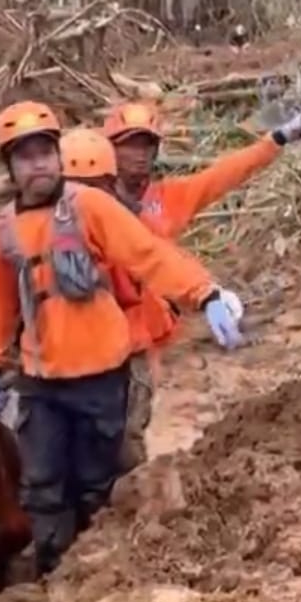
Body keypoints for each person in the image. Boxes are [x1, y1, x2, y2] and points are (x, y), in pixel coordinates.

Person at [0, 101, 242, 578]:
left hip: (101, 373)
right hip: (42, 380)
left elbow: (147, 255)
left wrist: (204, 294)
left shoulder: (88, 207)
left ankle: (98, 574)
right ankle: (52, 573)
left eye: (44, 151)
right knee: (42, 483)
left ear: (57, 156)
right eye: (24, 156)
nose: (37, 163)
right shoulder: (2, 231)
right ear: (10, 167)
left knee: (97, 480)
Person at [59, 128, 242, 471]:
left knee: (121, 447)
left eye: (93, 188)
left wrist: (205, 293)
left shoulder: (129, 223)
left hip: (126, 352)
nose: (82, 200)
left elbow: (156, 259)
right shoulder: (29, 229)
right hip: (60, 364)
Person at [104, 100, 301, 240]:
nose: (139, 154)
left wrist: (277, 139)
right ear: (110, 148)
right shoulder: (89, 200)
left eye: (146, 145)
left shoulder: (168, 198)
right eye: (130, 145)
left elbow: (222, 175)